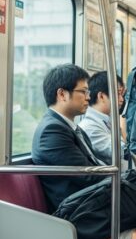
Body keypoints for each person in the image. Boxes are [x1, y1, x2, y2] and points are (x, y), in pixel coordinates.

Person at [32, 64, 104, 210]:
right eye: (83, 91)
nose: (88, 97)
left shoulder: (71, 128)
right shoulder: (51, 131)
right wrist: (121, 180)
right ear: (62, 94)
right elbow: (88, 175)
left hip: (91, 200)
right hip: (80, 210)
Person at [78, 71, 127, 169]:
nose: (122, 99)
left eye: (122, 95)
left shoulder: (107, 121)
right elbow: (123, 151)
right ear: (101, 96)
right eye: (118, 94)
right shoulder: (89, 127)